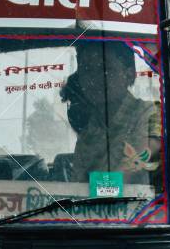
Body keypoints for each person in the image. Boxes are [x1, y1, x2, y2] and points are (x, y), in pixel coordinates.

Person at [64, 42, 161, 183]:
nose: (93, 78)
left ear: (129, 74)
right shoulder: (89, 132)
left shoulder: (150, 114)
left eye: (105, 69)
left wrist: (91, 191)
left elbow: (129, 170)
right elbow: (78, 186)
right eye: (86, 69)